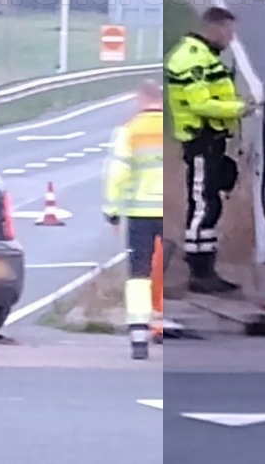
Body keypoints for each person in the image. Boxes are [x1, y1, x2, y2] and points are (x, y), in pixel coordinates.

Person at [165, 6, 255, 294]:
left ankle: (206, 267)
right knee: (203, 205)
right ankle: (200, 270)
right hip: (200, 140)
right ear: (214, 28)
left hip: (213, 140)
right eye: (228, 32)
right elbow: (200, 103)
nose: (230, 38)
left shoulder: (205, 56)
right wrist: (239, 109)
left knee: (209, 203)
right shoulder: (191, 58)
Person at [103, 80, 165, 360]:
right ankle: (164, 324)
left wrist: (112, 210)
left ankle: (139, 336)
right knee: (167, 268)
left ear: (142, 100)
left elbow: (117, 173)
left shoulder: (130, 131)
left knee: (139, 274)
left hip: (140, 213)